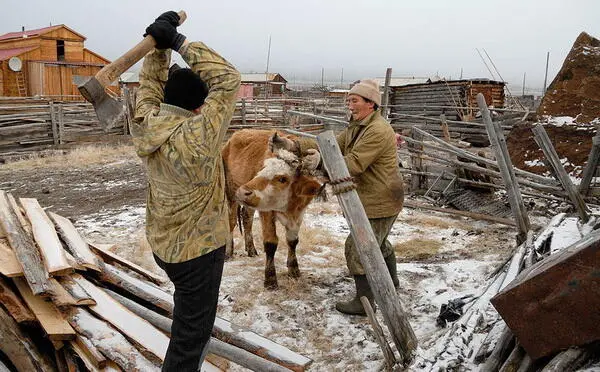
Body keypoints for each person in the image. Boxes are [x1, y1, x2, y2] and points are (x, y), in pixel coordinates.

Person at [131, 11, 240, 371]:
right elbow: (228, 79)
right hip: (199, 252)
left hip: (164, 245)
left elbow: (148, 87)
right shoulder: (198, 136)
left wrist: (159, 48)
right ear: (198, 107)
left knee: (188, 319)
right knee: (190, 337)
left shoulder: (146, 121)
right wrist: (178, 43)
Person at [297, 79, 404, 316]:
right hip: (377, 196)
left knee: (357, 246)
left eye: (354, 100)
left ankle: (364, 302)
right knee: (379, 242)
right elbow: (333, 144)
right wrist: (296, 145)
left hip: (382, 199)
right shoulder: (358, 126)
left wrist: (321, 162)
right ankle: (392, 283)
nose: (350, 105)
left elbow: (354, 163)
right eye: (348, 101)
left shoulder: (376, 130)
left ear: (371, 104)